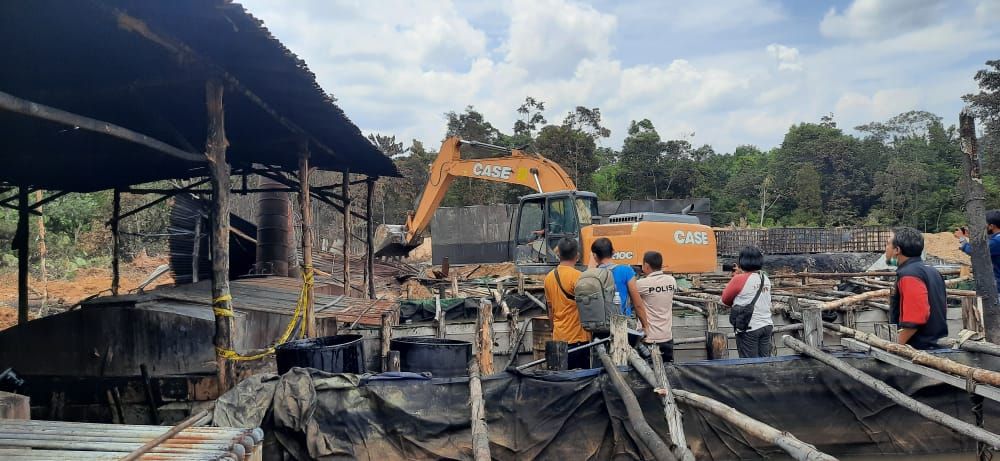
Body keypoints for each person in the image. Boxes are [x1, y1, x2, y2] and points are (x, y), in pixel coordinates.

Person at [888, 227, 948, 349]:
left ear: (897, 250)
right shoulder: (932, 271)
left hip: (917, 348)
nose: (886, 248)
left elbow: (915, 319)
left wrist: (895, 346)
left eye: (887, 244)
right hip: (934, 343)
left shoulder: (909, 274)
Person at [543, 238, 592, 369]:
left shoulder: (548, 277)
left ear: (558, 254)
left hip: (558, 338)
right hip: (578, 339)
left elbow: (550, 308)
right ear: (577, 255)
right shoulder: (579, 277)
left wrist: (553, 329)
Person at [721, 246, 773, 358]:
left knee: (749, 364)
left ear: (741, 261)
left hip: (749, 327)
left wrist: (736, 277)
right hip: (766, 325)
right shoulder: (765, 278)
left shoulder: (739, 279)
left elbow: (725, 300)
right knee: (765, 361)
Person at [589, 238, 649, 330]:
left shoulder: (591, 274)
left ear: (595, 256)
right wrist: (645, 326)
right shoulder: (626, 271)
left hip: (598, 326)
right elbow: (637, 303)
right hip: (621, 324)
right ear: (613, 252)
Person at [636, 251, 676, 361]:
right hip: (667, 336)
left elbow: (633, 299)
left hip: (649, 338)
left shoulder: (641, 284)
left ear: (646, 266)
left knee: (647, 374)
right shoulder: (671, 281)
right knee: (668, 371)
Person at [956, 210, 1000, 290]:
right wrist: (972, 236)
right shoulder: (996, 239)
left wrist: (962, 239)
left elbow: (975, 252)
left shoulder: (997, 241)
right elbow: (985, 244)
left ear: (991, 226)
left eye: (985, 224)